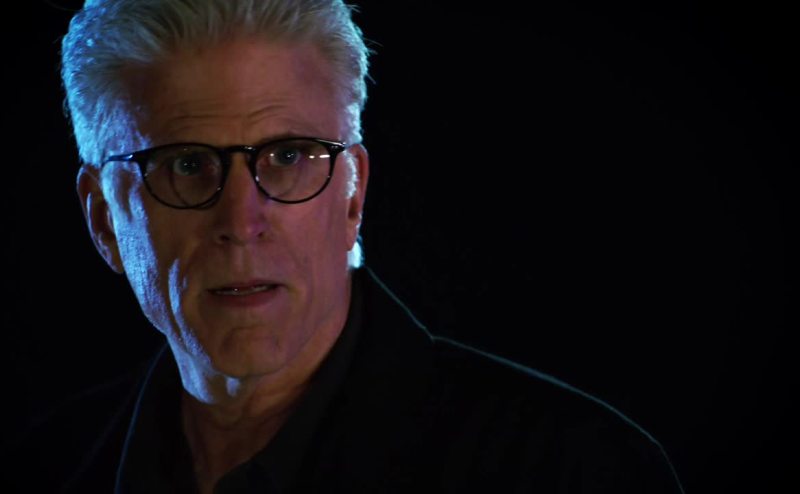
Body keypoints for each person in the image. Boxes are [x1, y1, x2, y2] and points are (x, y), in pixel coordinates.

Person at [4, 0, 685, 492]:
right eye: (186, 165)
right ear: (103, 219)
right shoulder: (45, 467)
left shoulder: (571, 471)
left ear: (353, 196)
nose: (242, 220)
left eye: (289, 156)